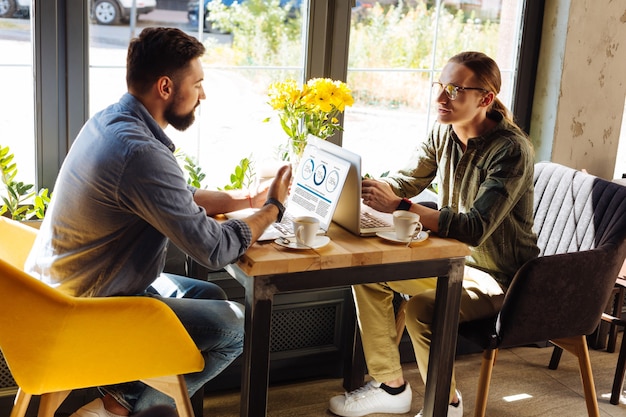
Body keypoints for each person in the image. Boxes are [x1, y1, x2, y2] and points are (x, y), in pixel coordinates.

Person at [24, 27, 292, 417]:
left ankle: (119, 396)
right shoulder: (140, 153)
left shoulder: (112, 122)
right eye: (197, 84)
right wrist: (273, 209)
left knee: (210, 297)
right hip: (87, 310)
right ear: (166, 87)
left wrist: (247, 198)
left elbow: (172, 197)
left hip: (57, 290)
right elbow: (214, 249)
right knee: (235, 327)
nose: (203, 95)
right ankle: (123, 408)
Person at [328, 51, 539, 417]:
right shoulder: (443, 132)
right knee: (369, 276)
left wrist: (402, 206)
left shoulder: (511, 151)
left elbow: (474, 227)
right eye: (440, 86)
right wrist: (364, 189)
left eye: (455, 90)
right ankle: (392, 387)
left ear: (485, 99)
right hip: (450, 262)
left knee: (425, 309)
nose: (441, 98)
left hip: (502, 278)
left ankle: (446, 405)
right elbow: (406, 181)